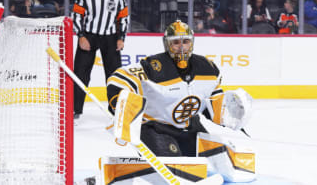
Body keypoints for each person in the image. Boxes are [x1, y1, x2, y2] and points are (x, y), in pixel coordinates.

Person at [106, 20, 254, 182]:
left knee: (227, 168)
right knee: (178, 171)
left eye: (185, 41)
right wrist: (122, 106)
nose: (181, 46)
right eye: (175, 42)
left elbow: (212, 102)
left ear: (192, 42)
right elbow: (119, 79)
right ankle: (121, 172)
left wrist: (229, 112)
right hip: (155, 128)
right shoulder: (154, 66)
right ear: (167, 44)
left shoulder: (207, 68)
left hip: (189, 125)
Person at [72, 0, 129, 119]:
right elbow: (77, 15)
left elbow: (123, 17)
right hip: (89, 36)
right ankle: (75, 110)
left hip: (111, 37)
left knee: (114, 76)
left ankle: (115, 110)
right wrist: (80, 36)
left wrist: (121, 38)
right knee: (80, 73)